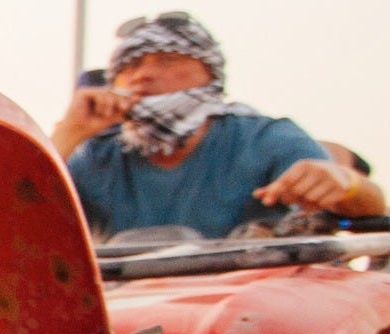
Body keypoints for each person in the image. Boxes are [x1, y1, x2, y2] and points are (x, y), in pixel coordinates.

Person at [52, 12, 385, 239]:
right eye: (131, 65)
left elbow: (370, 209)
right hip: (127, 318)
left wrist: (346, 184)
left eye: (167, 60)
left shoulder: (264, 137)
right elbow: (7, 216)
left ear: (210, 73)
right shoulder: (94, 155)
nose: (143, 74)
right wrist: (69, 133)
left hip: (244, 312)